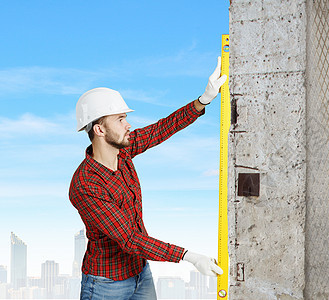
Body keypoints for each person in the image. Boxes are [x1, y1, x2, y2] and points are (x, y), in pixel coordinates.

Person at [69, 57, 227, 300]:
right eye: (120, 120)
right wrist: (189, 256)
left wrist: (202, 100)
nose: (128, 125)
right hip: (105, 285)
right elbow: (129, 239)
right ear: (99, 130)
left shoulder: (124, 152)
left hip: (140, 273)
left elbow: (162, 129)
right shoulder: (86, 184)